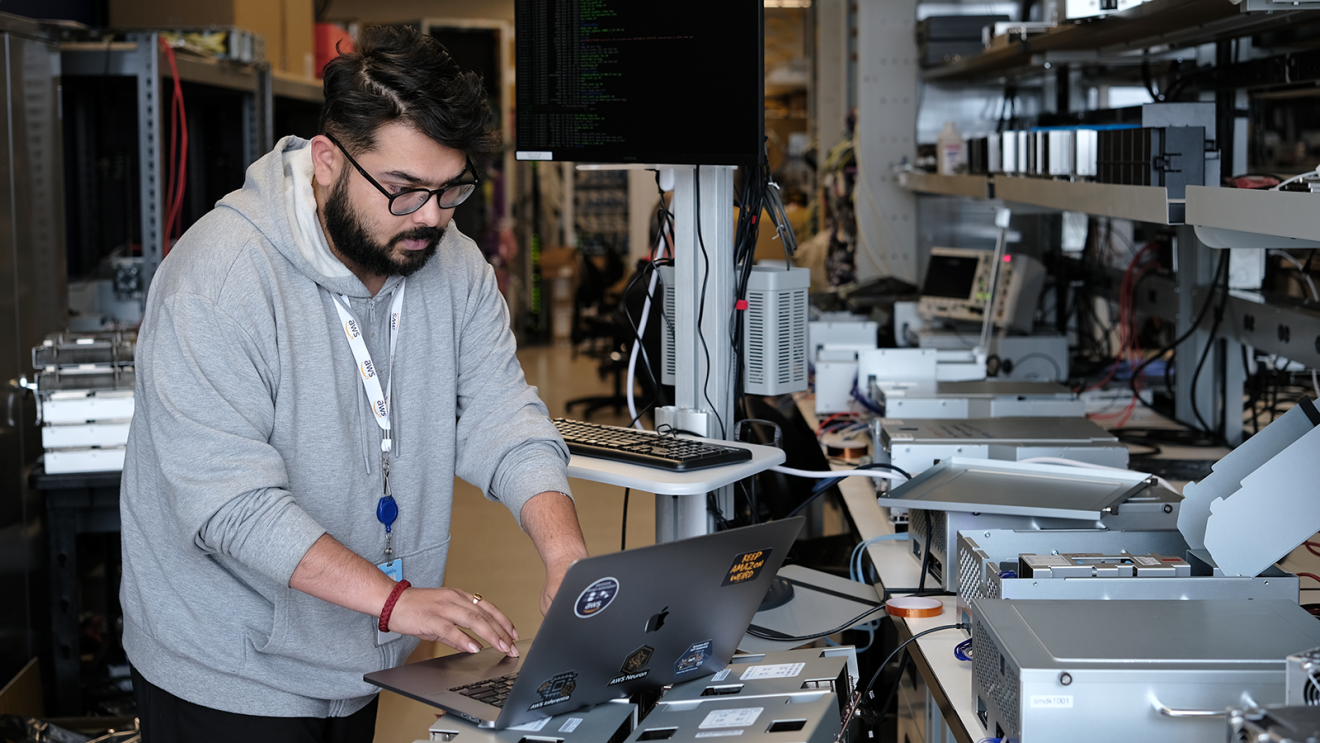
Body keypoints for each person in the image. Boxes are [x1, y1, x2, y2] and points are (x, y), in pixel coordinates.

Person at [119, 25, 589, 742]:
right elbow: (231, 504)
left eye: (449, 189)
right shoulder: (219, 277)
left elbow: (502, 413)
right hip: (228, 673)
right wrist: (396, 600)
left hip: (364, 660)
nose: (430, 217)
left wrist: (566, 555)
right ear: (329, 162)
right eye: (404, 190)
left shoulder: (450, 264)